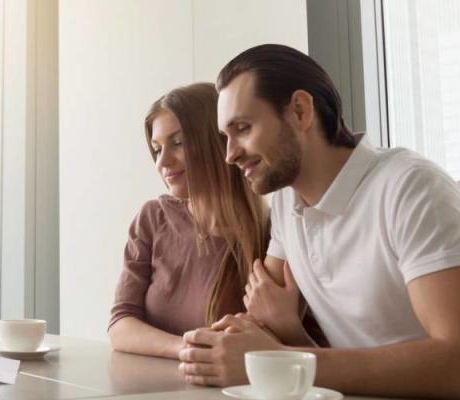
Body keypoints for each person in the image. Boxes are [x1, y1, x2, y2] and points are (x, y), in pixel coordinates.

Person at [179, 44, 460, 399]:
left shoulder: (410, 188)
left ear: (300, 111)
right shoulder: (285, 200)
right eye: (226, 137)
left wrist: (287, 358)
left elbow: (455, 362)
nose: (230, 155)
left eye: (243, 128)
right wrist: (224, 343)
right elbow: (261, 317)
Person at [108, 82, 275, 359]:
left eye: (178, 143)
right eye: (157, 148)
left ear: (217, 141)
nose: (163, 162)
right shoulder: (153, 219)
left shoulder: (273, 237)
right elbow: (120, 325)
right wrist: (189, 350)